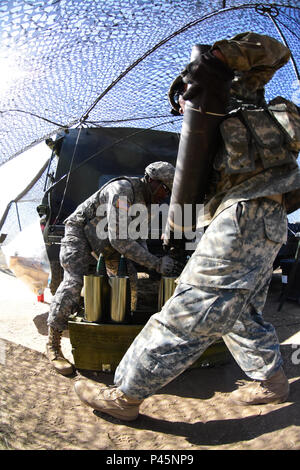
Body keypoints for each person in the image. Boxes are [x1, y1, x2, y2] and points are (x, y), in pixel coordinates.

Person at [74, 32, 300, 421]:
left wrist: (216, 56)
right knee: (241, 311)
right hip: (266, 222)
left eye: (186, 96)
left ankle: (125, 395)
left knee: (187, 309)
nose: (183, 104)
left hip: (246, 216)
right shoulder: (213, 127)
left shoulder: (241, 95)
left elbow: (276, 51)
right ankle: (272, 380)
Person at [46, 161, 176, 375]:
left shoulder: (146, 203)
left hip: (106, 243)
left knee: (128, 281)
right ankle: (53, 344)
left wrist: (154, 259)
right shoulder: (122, 191)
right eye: (165, 189)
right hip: (80, 235)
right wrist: (156, 263)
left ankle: (125, 329)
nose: (166, 195)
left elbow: (138, 239)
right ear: (152, 181)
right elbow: (120, 240)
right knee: (74, 282)